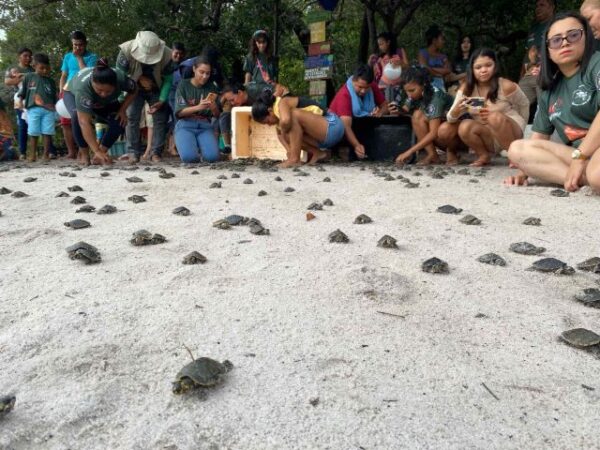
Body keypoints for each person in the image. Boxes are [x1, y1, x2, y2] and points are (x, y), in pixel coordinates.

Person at [505, 12, 600, 193]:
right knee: (517, 149)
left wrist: (580, 157)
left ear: (586, 38)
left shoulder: (597, 63)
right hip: (579, 157)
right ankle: (580, 178)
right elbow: (538, 140)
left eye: (573, 35)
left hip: (588, 152)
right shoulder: (549, 91)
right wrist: (524, 170)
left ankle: (586, 177)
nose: (565, 42)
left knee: (597, 175)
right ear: (547, 50)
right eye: (556, 40)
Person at [441, 48, 529, 167]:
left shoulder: (506, 85)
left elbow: (524, 104)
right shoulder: (467, 88)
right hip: (487, 134)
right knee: (464, 125)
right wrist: (457, 108)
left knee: (494, 117)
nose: (483, 70)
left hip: (510, 130)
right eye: (478, 67)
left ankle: (514, 156)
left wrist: (521, 127)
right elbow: (450, 118)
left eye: (488, 65)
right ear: (472, 69)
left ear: (495, 66)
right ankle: (483, 155)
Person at [63, 58, 137, 165]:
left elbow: (134, 90)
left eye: (108, 91)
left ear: (116, 85)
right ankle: (85, 154)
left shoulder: (121, 78)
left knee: (119, 120)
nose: (103, 94)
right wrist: (95, 150)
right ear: (92, 83)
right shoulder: (83, 89)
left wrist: (122, 110)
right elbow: (84, 122)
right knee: (76, 117)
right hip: (72, 93)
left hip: (104, 102)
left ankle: (101, 154)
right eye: (99, 90)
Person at [117, 31, 174, 163]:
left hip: (156, 87)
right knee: (131, 116)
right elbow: (120, 77)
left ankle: (156, 153)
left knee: (160, 118)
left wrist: (162, 99)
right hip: (132, 87)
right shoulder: (125, 51)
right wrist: (139, 78)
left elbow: (168, 79)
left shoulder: (167, 54)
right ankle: (132, 152)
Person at [251, 91, 345, 167]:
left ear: (270, 111)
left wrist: (292, 154)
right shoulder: (277, 120)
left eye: (266, 121)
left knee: (292, 117)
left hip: (333, 125)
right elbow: (282, 137)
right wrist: (289, 151)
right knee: (285, 133)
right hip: (322, 137)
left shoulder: (283, 102)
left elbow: (286, 120)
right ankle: (318, 153)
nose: (268, 125)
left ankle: (295, 159)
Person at [391, 66, 453, 165]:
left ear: (423, 85)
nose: (409, 95)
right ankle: (433, 155)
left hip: (452, 134)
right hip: (440, 130)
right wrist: (397, 110)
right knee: (417, 115)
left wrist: (409, 152)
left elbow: (434, 133)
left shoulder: (435, 97)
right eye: (406, 91)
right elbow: (405, 109)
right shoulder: (414, 93)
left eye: (412, 90)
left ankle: (452, 152)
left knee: (442, 129)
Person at [328, 64, 389, 159]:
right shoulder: (344, 95)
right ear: (353, 81)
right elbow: (346, 127)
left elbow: (385, 105)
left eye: (366, 87)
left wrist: (381, 112)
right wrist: (357, 145)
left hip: (360, 128)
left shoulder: (372, 86)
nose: (363, 91)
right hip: (337, 132)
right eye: (360, 87)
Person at [173, 56, 220, 163]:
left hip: (205, 125)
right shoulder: (183, 84)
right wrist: (199, 107)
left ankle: (204, 150)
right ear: (194, 69)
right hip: (185, 124)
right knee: (189, 158)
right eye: (201, 72)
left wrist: (214, 108)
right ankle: (190, 149)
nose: (204, 76)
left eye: (207, 73)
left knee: (212, 158)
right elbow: (179, 113)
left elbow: (217, 115)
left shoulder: (212, 87)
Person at [60, 30, 98, 159]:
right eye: (75, 45)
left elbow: (86, 74)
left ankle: (87, 151)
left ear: (85, 44)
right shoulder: (67, 57)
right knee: (75, 115)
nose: (77, 48)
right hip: (68, 91)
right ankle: (84, 151)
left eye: (80, 45)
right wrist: (61, 91)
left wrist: (79, 58)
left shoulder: (92, 57)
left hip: (85, 91)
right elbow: (63, 76)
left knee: (85, 120)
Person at [18, 53, 57, 162]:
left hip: (49, 111)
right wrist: (20, 102)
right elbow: (23, 91)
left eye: (47, 68)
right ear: (34, 66)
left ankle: (46, 155)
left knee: (47, 132)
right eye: (41, 68)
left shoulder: (51, 82)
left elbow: (54, 97)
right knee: (33, 132)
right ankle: (32, 155)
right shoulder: (29, 77)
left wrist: (55, 108)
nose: (45, 70)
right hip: (33, 109)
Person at [519, 0, 556, 106]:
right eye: (537, 6)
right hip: (528, 75)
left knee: (545, 107)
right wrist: (521, 76)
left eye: (542, 5)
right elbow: (527, 54)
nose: (538, 8)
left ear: (551, 7)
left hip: (545, 74)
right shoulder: (533, 29)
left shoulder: (555, 25)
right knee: (517, 107)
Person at [4, 47, 33, 159]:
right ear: (19, 56)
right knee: (22, 125)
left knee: (36, 123)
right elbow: (7, 81)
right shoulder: (12, 68)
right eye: (25, 55)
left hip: (33, 99)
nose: (28, 58)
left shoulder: (33, 68)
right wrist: (22, 79)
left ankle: (49, 151)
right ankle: (22, 152)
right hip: (19, 99)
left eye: (30, 56)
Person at [368, 32, 409, 101]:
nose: (380, 47)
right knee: (386, 105)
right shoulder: (380, 58)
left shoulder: (399, 51)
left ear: (388, 42)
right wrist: (369, 62)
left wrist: (400, 63)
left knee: (394, 105)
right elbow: (372, 73)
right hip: (383, 86)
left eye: (381, 44)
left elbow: (407, 66)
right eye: (379, 45)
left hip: (398, 85)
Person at [418, 25, 451, 92]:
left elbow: (448, 70)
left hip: (441, 87)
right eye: (442, 39)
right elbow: (423, 68)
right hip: (426, 87)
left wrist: (430, 68)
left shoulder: (443, 56)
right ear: (434, 40)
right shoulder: (422, 53)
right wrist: (438, 74)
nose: (443, 42)